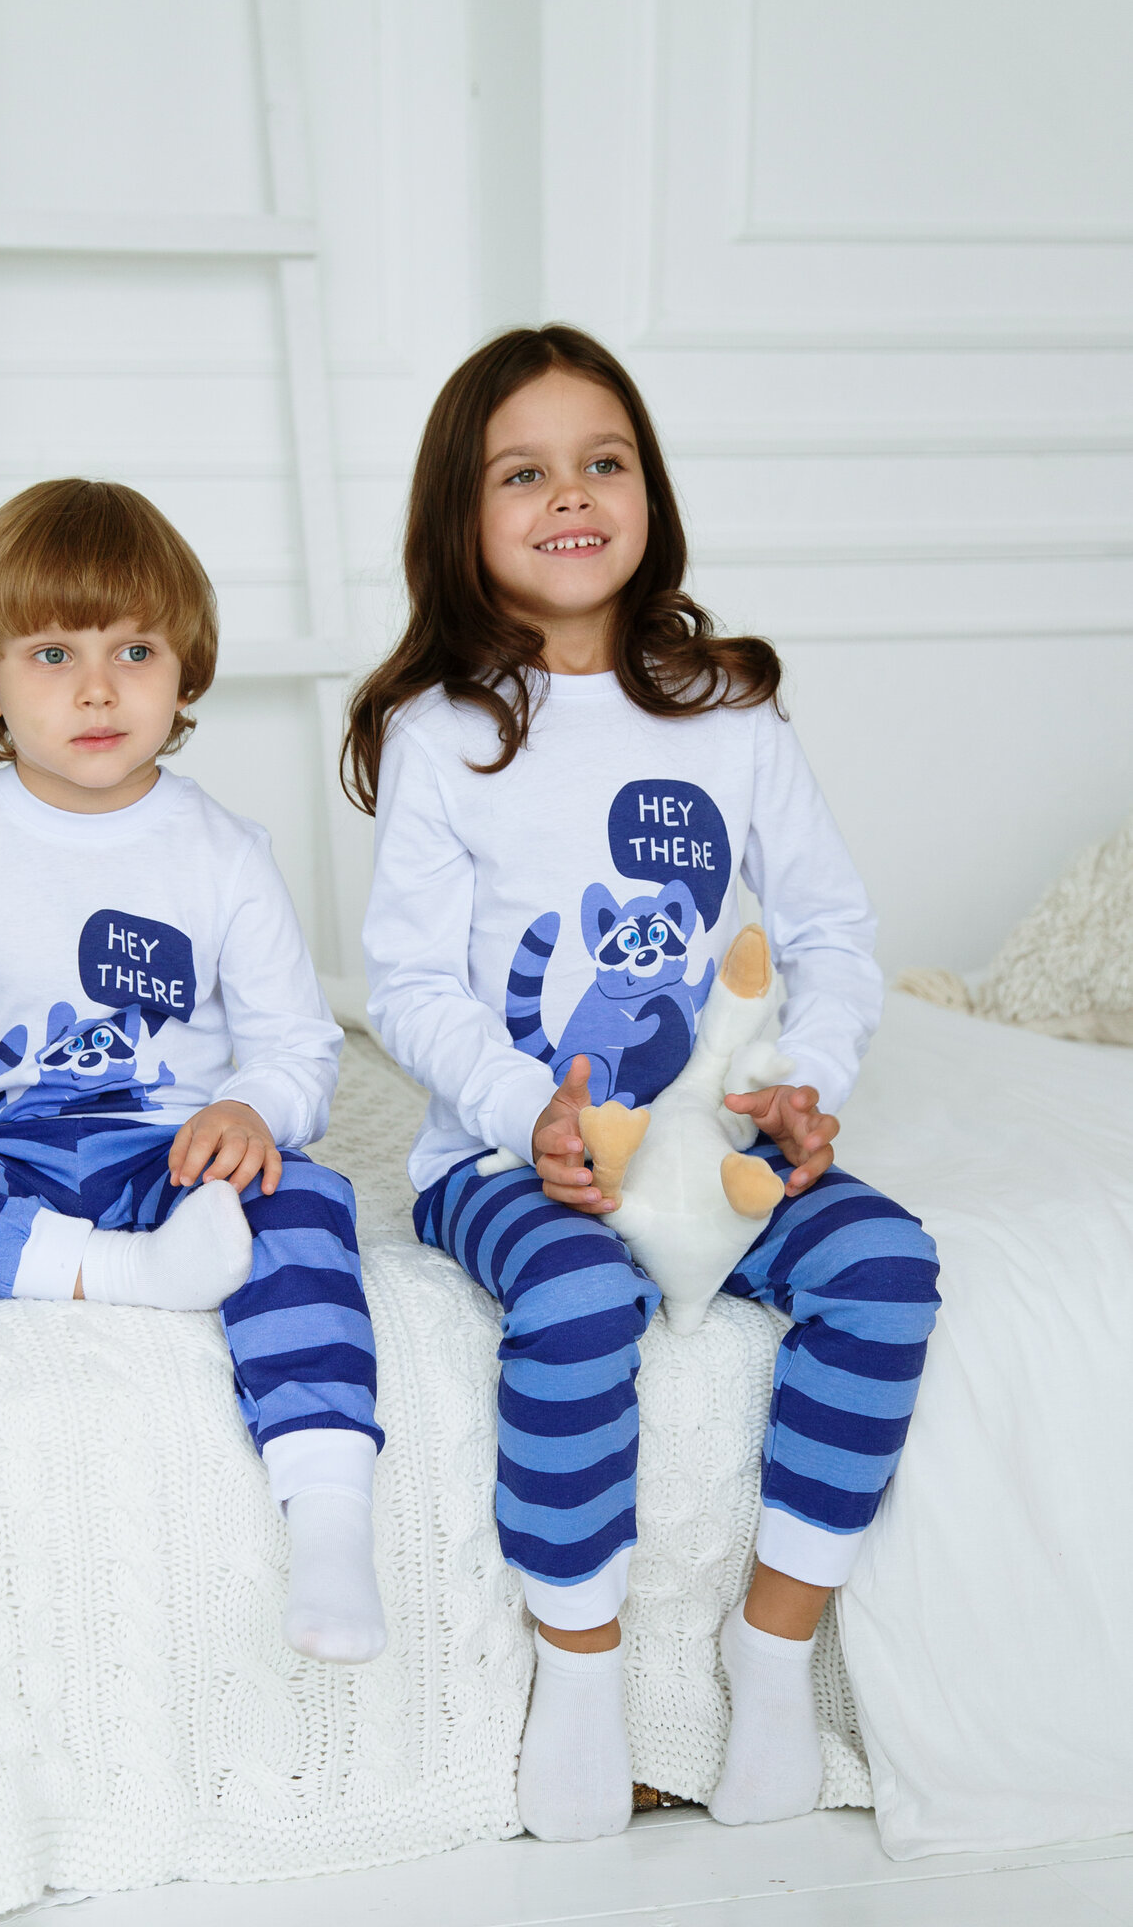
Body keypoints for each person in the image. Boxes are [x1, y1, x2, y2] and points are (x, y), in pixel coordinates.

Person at [347, 327, 940, 1833]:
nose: (572, 493)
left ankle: (771, 1650)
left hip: (716, 1133)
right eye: (523, 472)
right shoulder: (442, 734)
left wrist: (800, 1079)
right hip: (508, 1154)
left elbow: (832, 935)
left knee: (886, 1265)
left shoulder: (728, 712)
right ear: (459, 518)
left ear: (649, 493)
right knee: (574, 1295)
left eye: (602, 460)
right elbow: (408, 982)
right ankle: (583, 1671)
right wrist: (524, 1113)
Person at [0, 478, 385, 1664]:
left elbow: (298, 1042)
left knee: (304, 1198)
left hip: (172, 1160)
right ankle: (120, 1274)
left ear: (184, 673)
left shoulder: (221, 852)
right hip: (6, 1168)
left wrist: (251, 1107)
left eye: (135, 650)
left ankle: (330, 1519)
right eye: (53, 653)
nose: (98, 688)